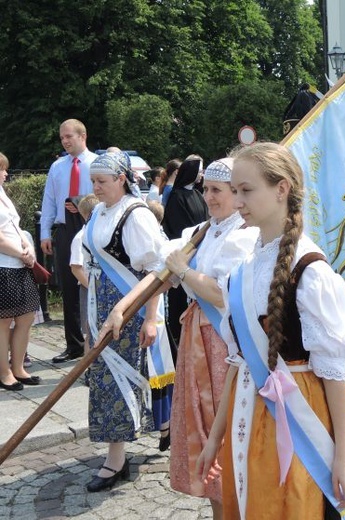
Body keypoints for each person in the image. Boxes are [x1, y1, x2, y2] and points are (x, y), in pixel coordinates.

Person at [196, 142, 345, 518]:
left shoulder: (310, 271)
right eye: (235, 191)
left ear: (282, 188)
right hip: (245, 416)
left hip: (298, 415)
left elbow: (336, 374)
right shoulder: (241, 271)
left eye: (247, 190)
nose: (238, 201)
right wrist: (216, 437)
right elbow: (239, 363)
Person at [104, 158, 256, 518]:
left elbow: (225, 295)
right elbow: (159, 273)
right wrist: (122, 309)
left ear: (237, 193)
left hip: (228, 345)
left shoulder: (246, 235)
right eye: (206, 189)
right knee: (204, 429)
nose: (208, 196)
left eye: (216, 190)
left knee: (231, 430)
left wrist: (184, 270)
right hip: (196, 340)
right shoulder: (200, 232)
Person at [85, 151, 172, 492]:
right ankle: (159, 431)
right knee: (106, 380)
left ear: (122, 179)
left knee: (119, 382)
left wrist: (151, 318)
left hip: (130, 310)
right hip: (101, 307)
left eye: (102, 181)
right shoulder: (100, 213)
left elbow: (156, 271)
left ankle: (116, 458)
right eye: (93, 182)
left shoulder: (136, 216)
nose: (96, 187)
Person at [40, 119, 97, 363]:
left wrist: (83, 202)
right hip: (65, 228)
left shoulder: (96, 163)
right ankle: (73, 344)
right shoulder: (57, 166)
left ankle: (95, 340)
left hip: (91, 226)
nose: (64, 141)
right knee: (68, 287)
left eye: (69, 136)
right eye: (62, 137)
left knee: (92, 281)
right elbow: (49, 200)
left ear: (82, 136)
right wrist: (44, 232)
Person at [0, 153, 42, 391]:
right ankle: (4, 372)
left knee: (25, 316)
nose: (6, 173)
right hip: (3, 265)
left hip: (18, 263)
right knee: (3, 321)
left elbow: (14, 227)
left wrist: (27, 246)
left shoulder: (2, 193)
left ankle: (18, 367)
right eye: (3, 169)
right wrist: (21, 253)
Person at [162, 156, 209, 346]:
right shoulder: (176, 196)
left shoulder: (198, 194)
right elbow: (177, 226)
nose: (200, 175)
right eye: (198, 171)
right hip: (185, 252)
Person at [69, 194, 99, 357]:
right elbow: (76, 268)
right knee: (90, 331)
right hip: (89, 289)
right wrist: (92, 286)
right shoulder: (80, 237)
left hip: (98, 287)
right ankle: (89, 367)